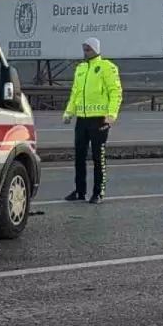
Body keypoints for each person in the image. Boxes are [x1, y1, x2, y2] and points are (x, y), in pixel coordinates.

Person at [62, 37, 122, 204]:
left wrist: (111, 114)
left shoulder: (107, 67)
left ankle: (98, 192)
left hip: (99, 120)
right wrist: (69, 113)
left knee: (98, 157)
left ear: (96, 49)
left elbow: (115, 92)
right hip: (82, 119)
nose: (85, 52)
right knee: (79, 156)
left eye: (88, 49)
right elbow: (75, 94)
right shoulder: (80, 69)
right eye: (84, 49)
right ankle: (80, 191)